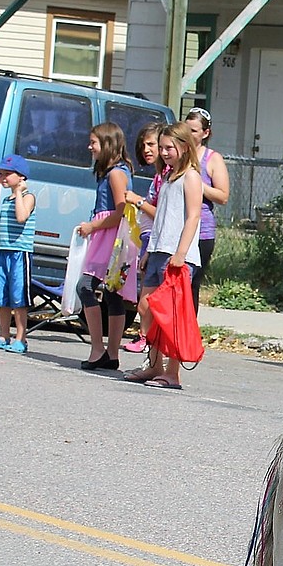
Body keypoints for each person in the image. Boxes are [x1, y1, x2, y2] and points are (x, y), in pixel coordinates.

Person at [122, 122, 203, 391]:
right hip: (158, 251)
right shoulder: (168, 177)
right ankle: (155, 365)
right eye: (162, 147)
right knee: (147, 308)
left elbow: (193, 217)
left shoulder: (190, 177)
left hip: (177, 255)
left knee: (171, 315)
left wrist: (181, 253)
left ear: (183, 146)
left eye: (170, 148)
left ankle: (172, 373)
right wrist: (148, 251)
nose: (165, 152)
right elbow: (161, 220)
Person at [75, 122, 135, 371]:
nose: (90, 147)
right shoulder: (109, 172)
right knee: (111, 293)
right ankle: (109, 353)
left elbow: (121, 211)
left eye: (94, 143)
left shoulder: (116, 174)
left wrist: (93, 226)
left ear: (107, 144)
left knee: (86, 286)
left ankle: (99, 348)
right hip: (107, 235)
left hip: (111, 238)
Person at [0, 154, 36, 354]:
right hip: (3, 251)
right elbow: (3, 225)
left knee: (18, 297)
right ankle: (4, 335)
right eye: (1, 173)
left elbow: (21, 217)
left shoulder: (28, 197)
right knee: (2, 296)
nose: (2, 177)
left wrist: (19, 193)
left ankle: (21, 338)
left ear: (21, 177)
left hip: (20, 253)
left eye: (7, 174)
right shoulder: (5, 200)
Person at [121, 122, 165, 354]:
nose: (147, 149)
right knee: (145, 297)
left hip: (157, 241)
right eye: (143, 145)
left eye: (151, 144)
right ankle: (147, 338)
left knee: (147, 299)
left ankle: (147, 339)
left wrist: (138, 201)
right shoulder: (157, 176)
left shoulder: (166, 177)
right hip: (148, 239)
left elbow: (162, 215)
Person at [184, 107, 229, 311]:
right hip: (176, 227)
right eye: (186, 129)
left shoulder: (212, 158)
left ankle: (188, 335)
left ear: (205, 133)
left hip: (201, 231)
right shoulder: (176, 153)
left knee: (190, 284)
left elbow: (223, 196)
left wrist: (198, 185)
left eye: (194, 131)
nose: (189, 134)